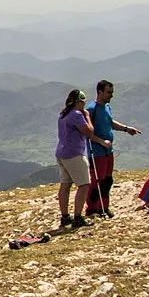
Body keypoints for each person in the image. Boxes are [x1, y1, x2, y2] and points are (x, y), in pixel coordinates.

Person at [83, 80, 138, 218]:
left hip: (108, 151)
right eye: (108, 92)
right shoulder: (91, 109)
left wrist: (126, 129)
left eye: (112, 93)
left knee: (108, 180)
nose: (111, 95)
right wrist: (102, 142)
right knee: (97, 181)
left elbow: (110, 123)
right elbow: (88, 132)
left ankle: (104, 207)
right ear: (100, 92)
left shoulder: (107, 107)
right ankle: (92, 209)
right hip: (97, 152)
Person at [54, 88, 96, 229]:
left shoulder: (63, 114)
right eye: (83, 102)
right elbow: (89, 132)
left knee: (65, 185)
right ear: (78, 102)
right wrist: (87, 116)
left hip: (61, 153)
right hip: (74, 154)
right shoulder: (77, 114)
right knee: (84, 185)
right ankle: (78, 217)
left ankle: (65, 217)